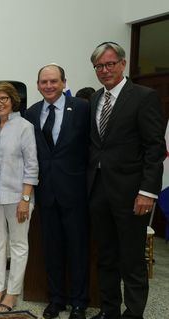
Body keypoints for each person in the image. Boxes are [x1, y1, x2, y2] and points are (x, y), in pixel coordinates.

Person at [87, 42, 165, 319]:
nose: (105, 70)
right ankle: (109, 311)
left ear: (122, 64)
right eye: (99, 66)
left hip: (133, 195)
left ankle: (133, 314)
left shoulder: (144, 97)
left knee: (132, 260)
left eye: (110, 64)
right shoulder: (96, 99)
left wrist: (147, 192)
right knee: (106, 257)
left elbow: (154, 149)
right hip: (99, 192)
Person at [24, 64, 90, 319]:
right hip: (46, 192)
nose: (49, 86)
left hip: (75, 191)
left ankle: (79, 302)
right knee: (51, 248)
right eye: (44, 82)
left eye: (53, 81)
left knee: (77, 248)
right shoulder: (31, 113)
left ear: (64, 82)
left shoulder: (83, 108)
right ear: (38, 85)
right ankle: (56, 298)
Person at [0, 81, 38, 312]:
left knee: (18, 245)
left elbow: (32, 166)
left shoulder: (25, 127)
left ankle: (13, 292)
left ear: (13, 100)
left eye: (3, 98)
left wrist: (25, 200)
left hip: (18, 197)